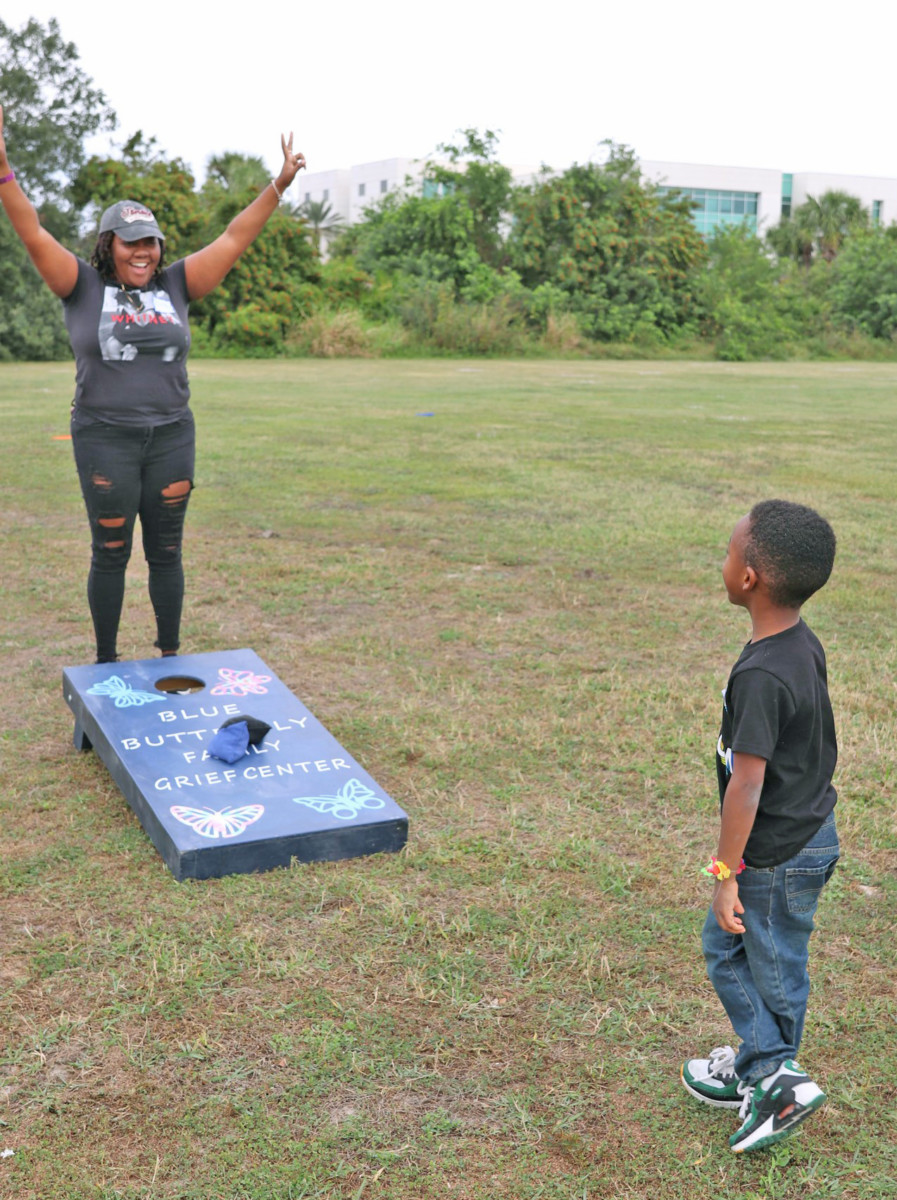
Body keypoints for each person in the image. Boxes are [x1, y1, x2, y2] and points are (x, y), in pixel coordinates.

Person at [0, 103, 305, 662]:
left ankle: (170, 656)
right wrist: (2, 169)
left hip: (170, 436)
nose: (143, 251)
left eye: (151, 242)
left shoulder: (178, 283)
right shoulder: (80, 285)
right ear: (108, 245)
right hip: (104, 436)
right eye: (130, 242)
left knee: (167, 551)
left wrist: (278, 185)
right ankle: (107, 664)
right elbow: (32, 230)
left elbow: (235, 237)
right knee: (111, 550)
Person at [681, 499, 840, 1153]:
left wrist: (726, 874)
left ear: (748, 579)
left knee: (750, 961)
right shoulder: (795, 645)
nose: (722, 562)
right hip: (805, 835)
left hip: (774, 853)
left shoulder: (763, 675)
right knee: (763, 961)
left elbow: (746, 786)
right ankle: (761, 1070)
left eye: (727, 553)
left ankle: (774, 1076)